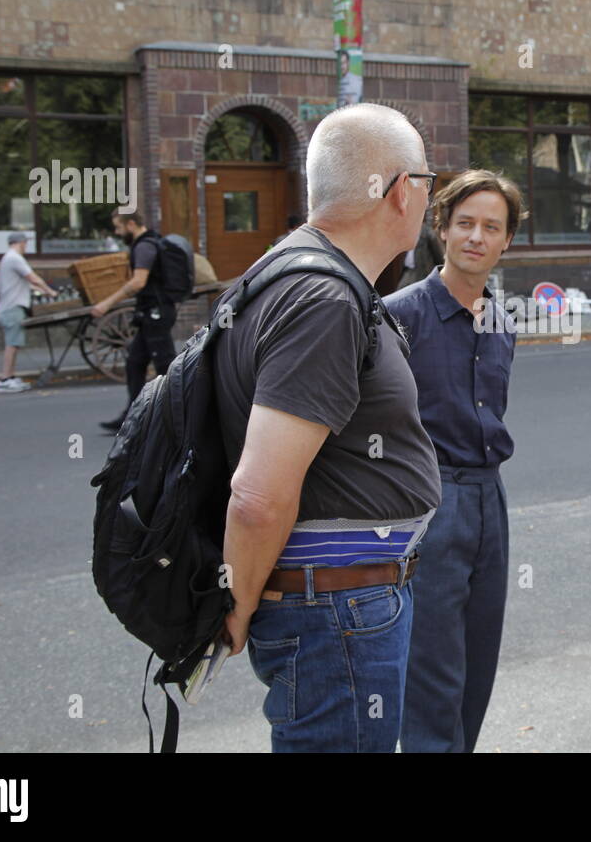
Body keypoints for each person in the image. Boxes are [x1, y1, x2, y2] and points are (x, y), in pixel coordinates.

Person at [214, 102, 441, 752]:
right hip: (334, 613)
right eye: (426, 181)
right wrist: (236, 606)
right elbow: (258, 496)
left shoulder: (288, 273)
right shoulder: (324, 300)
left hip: (335, 608)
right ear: (400, 192)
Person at [384, 169, 522, 753]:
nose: (477, 237)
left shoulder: (502, 320)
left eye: (492, 227)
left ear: (506, 240)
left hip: (490, 498)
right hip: (429, 501)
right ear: (440, 228)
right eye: (465, 223)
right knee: (432, 677)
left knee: (477, 668)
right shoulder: (397, 315)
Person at [94, 211, 179, 432]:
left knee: (165, 365)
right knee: (135, 363)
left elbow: (138, 282)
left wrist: (107, 303)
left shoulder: (144, 246)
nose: (117, 232)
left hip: (155, 312)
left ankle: (180, 415)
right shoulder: (152, 241)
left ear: (131, 224)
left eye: (118, 227)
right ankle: (134, 415)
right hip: (151, 312)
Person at [0, 231, 59, 394]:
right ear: (20, 242)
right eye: (25, 243)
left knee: (13, 343)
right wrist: (49, 291)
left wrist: (40, 290)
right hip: (13, 307)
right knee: (12, 344)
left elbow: (24, 284)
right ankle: (5, 379)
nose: (26, 246)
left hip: (9, 306)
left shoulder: (7, 258)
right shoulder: (15, 258)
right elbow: (33, 278)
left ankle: (10, 377)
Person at [397, 219, 445, 290]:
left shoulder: (427, 232)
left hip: (421, 271)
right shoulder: (407, 231)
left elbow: (439, 256)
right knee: (400, 291)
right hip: (408, 270)